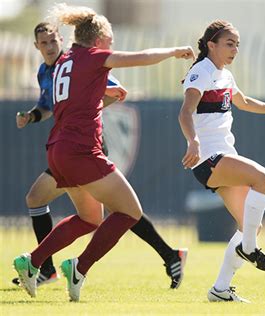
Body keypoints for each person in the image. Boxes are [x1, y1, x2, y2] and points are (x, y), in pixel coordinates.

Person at [13, 4, 195, 302]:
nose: (112, 45)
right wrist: (176, 51)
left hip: (58, 150)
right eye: (110, 40)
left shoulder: (64, 62)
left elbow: (77, 100)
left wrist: (101, 95)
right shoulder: (93, 55)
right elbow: (141, 58)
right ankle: (77, 266)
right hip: (82, 151)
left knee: (90, 218)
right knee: (130, 211)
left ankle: (33, 262)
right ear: (98, 39)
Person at [178, 20, 265, 303]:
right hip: (208, 158)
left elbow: (244, 101)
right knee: (263, 178)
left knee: (250, 228)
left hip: (224, 156)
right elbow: (185, 112)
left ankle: (220, 289)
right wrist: (192, 141)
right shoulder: (201, 72)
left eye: (237, 45)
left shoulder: (225, 76)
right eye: (229, 44)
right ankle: (250, 250)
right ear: (211, 45)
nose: (235, 50)